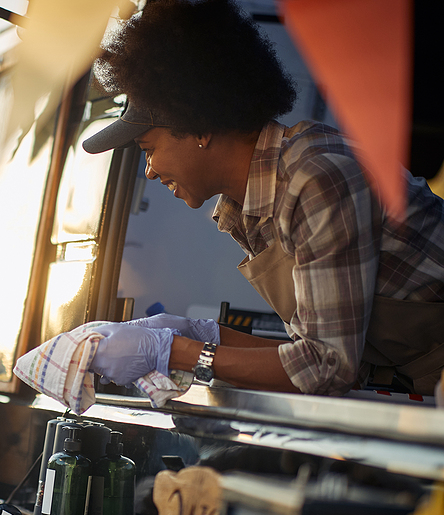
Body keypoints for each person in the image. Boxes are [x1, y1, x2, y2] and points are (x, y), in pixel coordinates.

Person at [82, 0, 444, 397]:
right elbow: (313, 355)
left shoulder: (315, 179)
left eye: (148, 147)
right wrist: (199, 334)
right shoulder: (248, 208)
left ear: (199, 126)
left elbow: (326, 367)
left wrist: (177, 352)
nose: (149, 169)